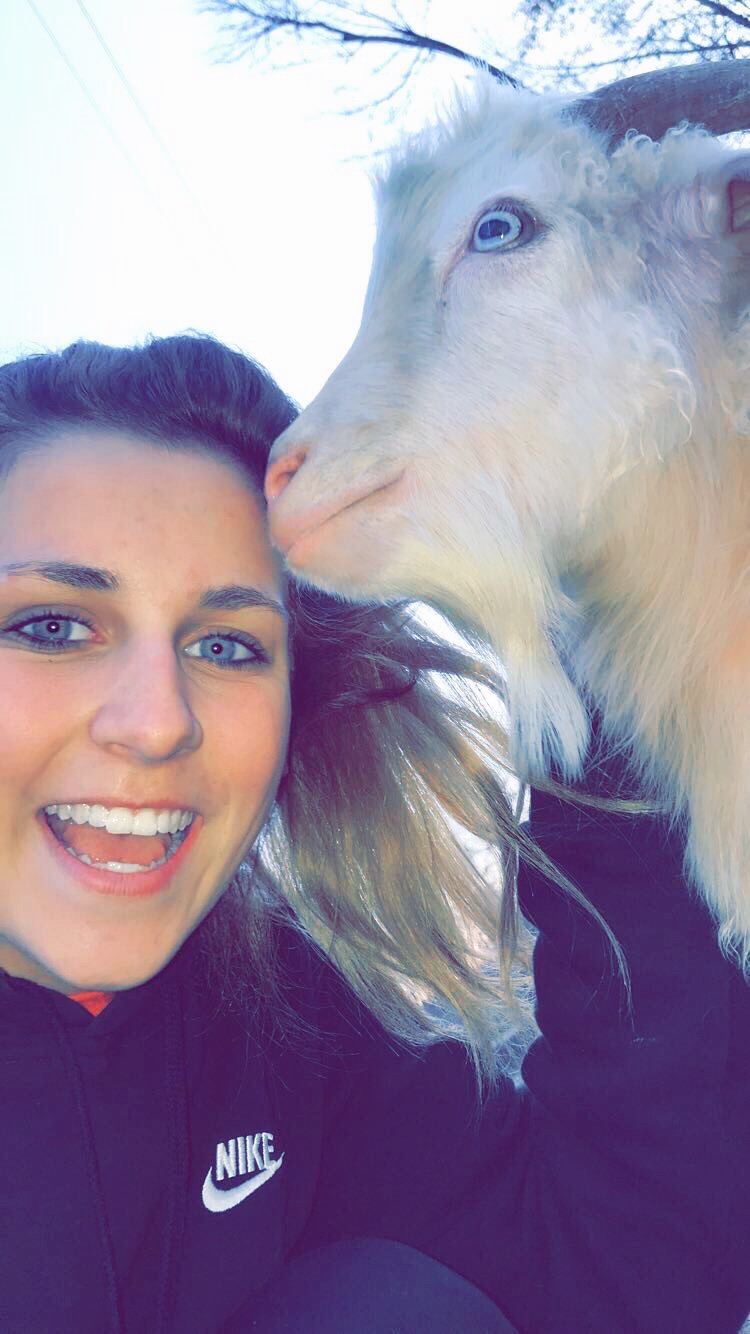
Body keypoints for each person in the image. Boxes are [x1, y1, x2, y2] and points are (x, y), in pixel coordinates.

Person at [0, 334, 746, 1334]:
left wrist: (616, 635)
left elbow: (619, 1271)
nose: (157, 718)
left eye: (228, 645)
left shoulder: (281, 1027)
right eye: (52, 625)